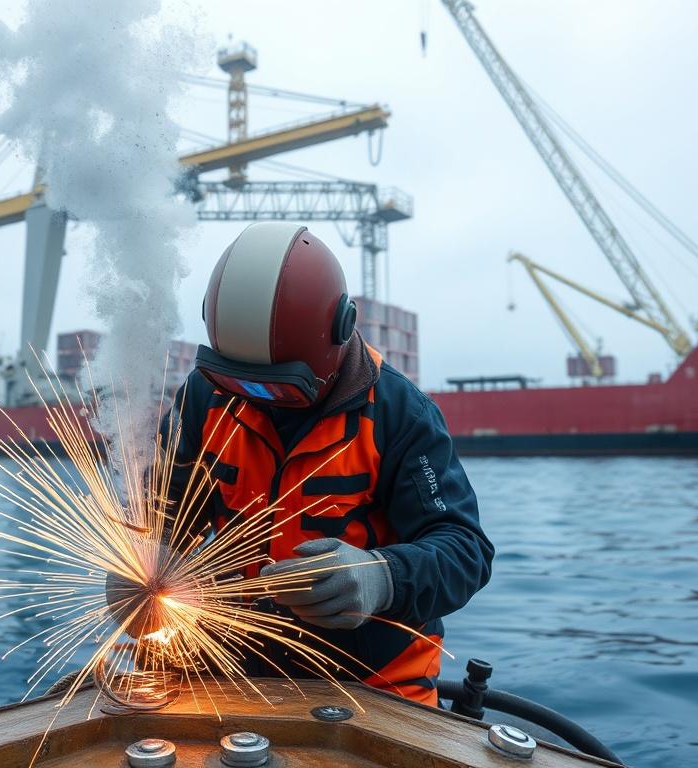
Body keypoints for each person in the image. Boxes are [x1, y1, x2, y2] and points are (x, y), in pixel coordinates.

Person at [163, 221, 493, 706]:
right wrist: (146, 558)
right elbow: (163, 510)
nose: (261, 400)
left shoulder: (400, 412)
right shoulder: (205, 394)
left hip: (374, 687)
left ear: (339, 330)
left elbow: (466, 551)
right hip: (231, 669)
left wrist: (382, 577)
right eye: (243, 384)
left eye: (280, 386)